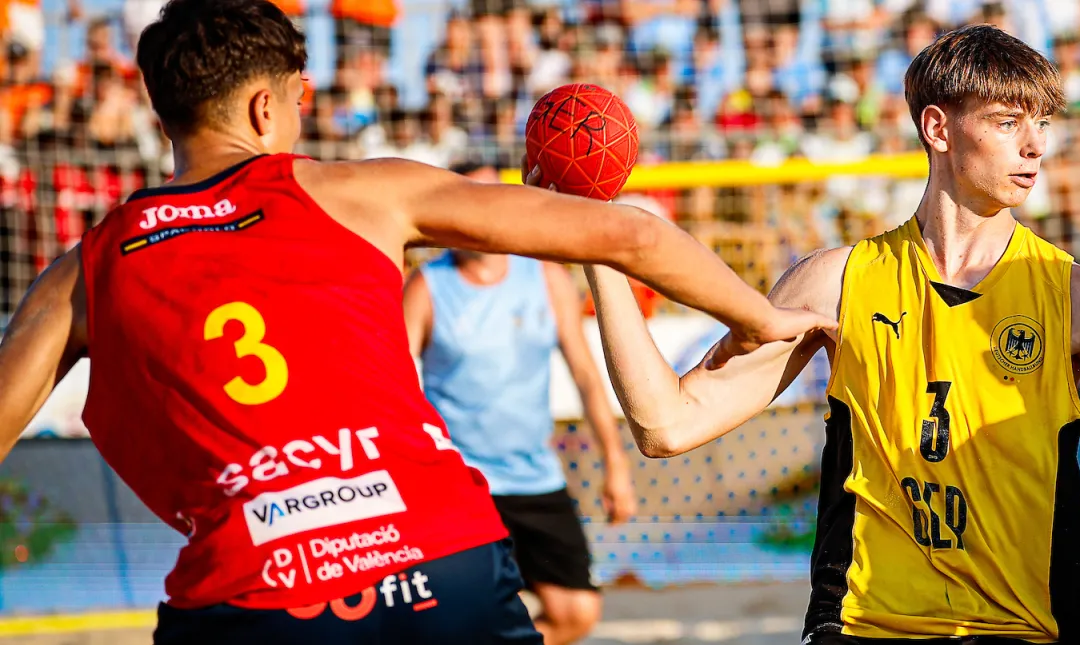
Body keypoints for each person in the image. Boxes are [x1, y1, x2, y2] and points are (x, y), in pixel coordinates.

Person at [0, 0, 828, 642]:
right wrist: (757, 317)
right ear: (263, 109)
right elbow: (632, 233)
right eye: (298, 101)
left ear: (164, 113)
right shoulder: (361, 192)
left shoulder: (82, 270)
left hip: (253, 585)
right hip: (440, 555)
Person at [580, 25, 1080, 645]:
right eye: (1007, 122)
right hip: (862, 625)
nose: (1035, 146)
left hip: (1027, 629)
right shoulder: (836, 283)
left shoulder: (1077, 298)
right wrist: (601, 243)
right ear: (938, 129)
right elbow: (665, 426)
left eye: (1041, 124)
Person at [401, 164, 637, 645]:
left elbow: (587, 377)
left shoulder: (544, 277)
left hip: (534, 477)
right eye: (473, 194)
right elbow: (395, 386)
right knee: (454, 617)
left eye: (494, 192)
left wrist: (615, 464)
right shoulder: (428, 286)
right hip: (461, 482)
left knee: (577, 612)